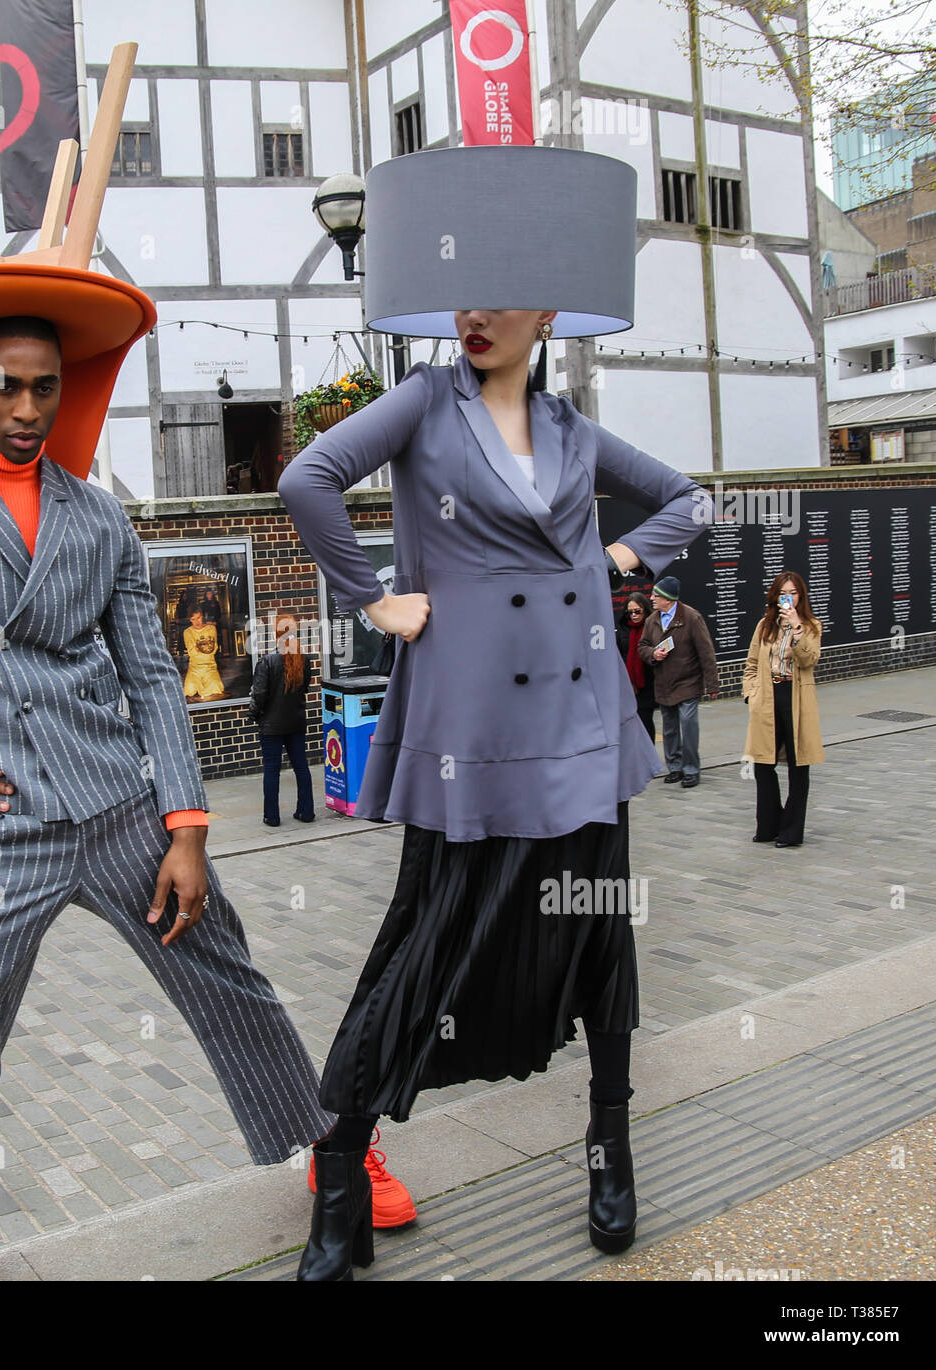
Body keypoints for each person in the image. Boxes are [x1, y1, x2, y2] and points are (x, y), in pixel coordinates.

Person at [0, 315, 412, 1279]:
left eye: (45, 389)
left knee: (232, 990)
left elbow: (152, 677)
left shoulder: (97, 511)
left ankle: (334, 1151)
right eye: (7, 386)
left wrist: (185, 826)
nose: (28, 409)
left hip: (120, 811)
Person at [278, 306, 709, 1280]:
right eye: (462, 293)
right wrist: (373, 596)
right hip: (469, 738)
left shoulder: (568, 428)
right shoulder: (424, 403)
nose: (476, 313)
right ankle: (338, 1173)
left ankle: (608, 1142)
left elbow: (686, 497)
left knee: (599, 930)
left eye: (500, 295)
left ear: (544, 314)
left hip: (584, 725)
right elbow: (306, 478)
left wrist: (614, 560)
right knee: (424, 943)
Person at [742, 571, 824, 847]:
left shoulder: (811, 626)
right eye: (783, 593)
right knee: (763, 764)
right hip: (767, 697)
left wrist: (797, 628)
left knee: (799, 767)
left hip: (796, 699)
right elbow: (752, 663)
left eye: (793, 592)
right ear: (775, 596)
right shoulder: (764, 625)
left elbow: (809, 660)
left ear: (801, 597)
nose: (788, 597)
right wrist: (750, 694)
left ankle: (790, 831)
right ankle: (768, 825)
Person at [638, 576, 718, 788]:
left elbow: (706, 652)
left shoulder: (691, 617)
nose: (652, 598)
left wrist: (712, 685)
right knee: (670, 728)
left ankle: (691, 769)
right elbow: (642, 646)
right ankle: (675, 767)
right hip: (664, 683)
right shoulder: (652, 620)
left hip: (688, 682)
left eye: (656, 595)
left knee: (688, 725)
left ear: (669, 599)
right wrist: (653, 654)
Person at [249, 613, 316, 827]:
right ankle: (306, 812)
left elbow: (259, 695)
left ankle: (272, 816)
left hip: (271, 725)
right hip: (296, 722)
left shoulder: (267, 661)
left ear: (276, 634)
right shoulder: (303, 660)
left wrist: (253, 715)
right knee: (301, 767)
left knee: (271, 770)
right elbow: (304, 689)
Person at [616, 591, 657, 748]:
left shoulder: (652, 627)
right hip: (628, 684)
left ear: (645, 610)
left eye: (637, 611)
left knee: (646, 720)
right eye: (630, 612)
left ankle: (649, 754)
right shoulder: (623, 630)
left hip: (647, 682)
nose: (633, 615)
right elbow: (620, 655)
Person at [181, 608, 226, 701]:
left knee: (216, 688)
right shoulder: (187, 632)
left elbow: (212, 649)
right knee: (188, 691)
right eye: (193, 619)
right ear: (190, 620)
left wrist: (199, 646)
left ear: (202, 617)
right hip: (194, 668)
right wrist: (204, 645)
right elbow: (192, 652)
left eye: (198, 618)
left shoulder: (211, 629)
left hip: (210, 667)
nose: (197, 622)